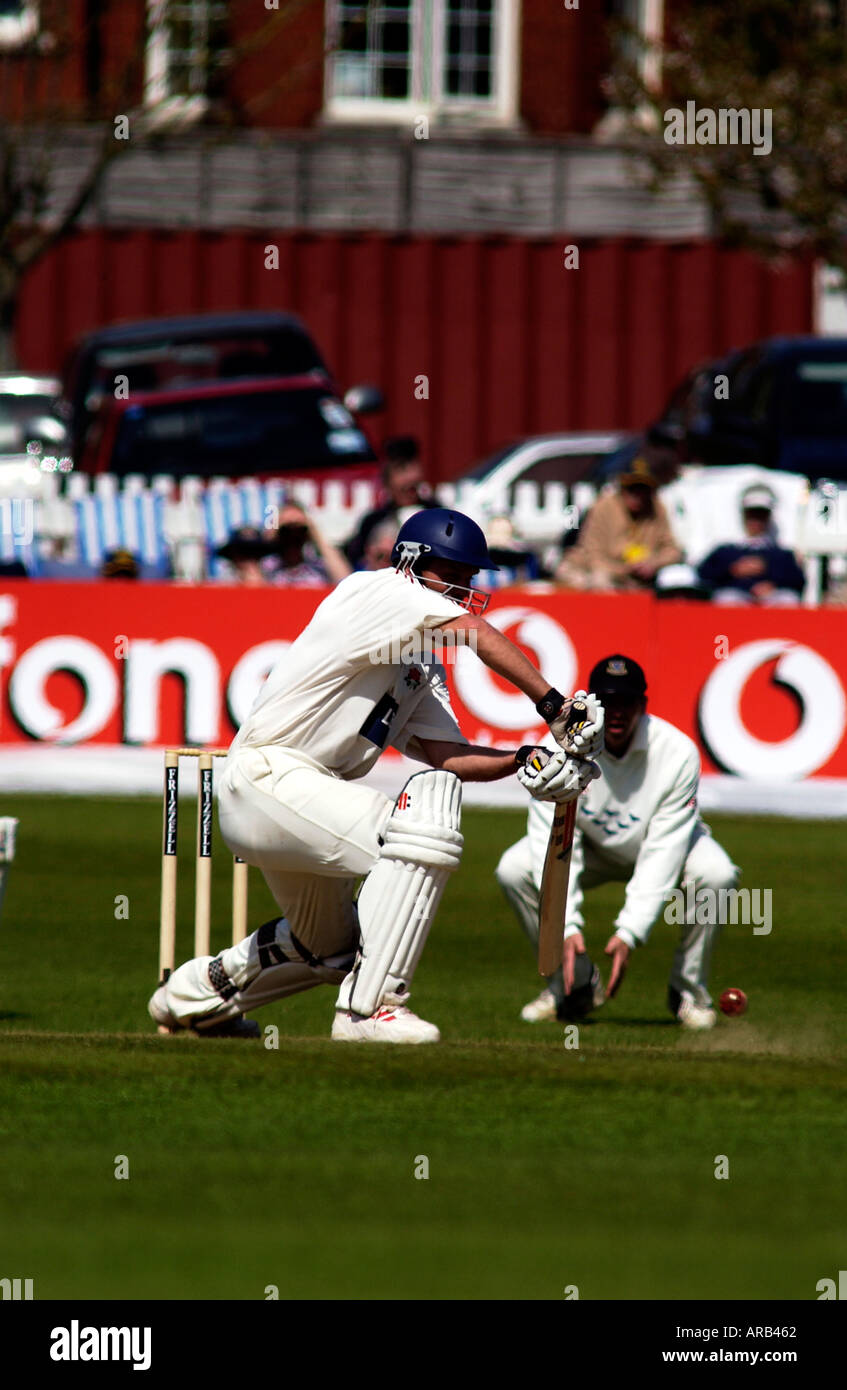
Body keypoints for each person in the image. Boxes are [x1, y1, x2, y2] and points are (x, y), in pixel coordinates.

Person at [148, 508, 604, 1043]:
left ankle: (198, 995)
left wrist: (526, 759)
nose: (463, 587)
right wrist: (554, 708)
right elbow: (473, 631)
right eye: (452, 573)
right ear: (412, 562)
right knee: (423, 825)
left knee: (330, 948)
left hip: (305, 801)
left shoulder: (419, 661)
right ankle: (370, 1009)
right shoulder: (375, 592)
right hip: (268, 775)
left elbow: (447, 754)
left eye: (470, 578)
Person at [496, 654, 738, 1031]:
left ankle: (689, 991)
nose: (618, 713)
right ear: (591, 704)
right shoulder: (559, 746)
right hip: (590, 849)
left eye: (627, 703)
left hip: (659, 846)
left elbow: (664, 847)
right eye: (608, 703)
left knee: (717, 874)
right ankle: (566, 987)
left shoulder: (676, 752)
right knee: (513, 869)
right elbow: (553, 838)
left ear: (643, 705)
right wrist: (568, 926)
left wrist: (629, 932)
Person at [555, 459, 682, 591]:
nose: (637, 496)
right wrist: (624, 570)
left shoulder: (657, 509)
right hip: (604, 571)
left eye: (643, 489)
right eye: (632, 489)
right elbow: (592, 552)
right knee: (598, 579)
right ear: (622, 488)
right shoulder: (603, 506)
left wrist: (653, 563)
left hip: (641, 577)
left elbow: (672, 550)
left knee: (677, 578)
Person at [697, 484, 805, 604]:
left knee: (786, 598)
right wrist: (733, 570)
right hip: (735, 599)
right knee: (727, 598)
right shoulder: (725, 551)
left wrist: (773, 581)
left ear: (768, 517)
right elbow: (703, 575)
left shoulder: (781, 554)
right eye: (752, 515)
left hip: (771, 601)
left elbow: (798, 580)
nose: (756, 521)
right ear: (744, 516)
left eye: (761, 516)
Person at [344, 435, 438, 568]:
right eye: (401, 471)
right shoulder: (373, 521)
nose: (410, 478)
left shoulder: (437, 515)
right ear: (387, 480)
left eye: (413, 469)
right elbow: (355, 561)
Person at [266, 502, 351, 587]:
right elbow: (254, 586)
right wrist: (271, 536)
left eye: (299, 529)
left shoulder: (319, 566)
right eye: (286, 530)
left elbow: (345, 582)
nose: (293, 536)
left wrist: (315, 533)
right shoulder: (268, 566)